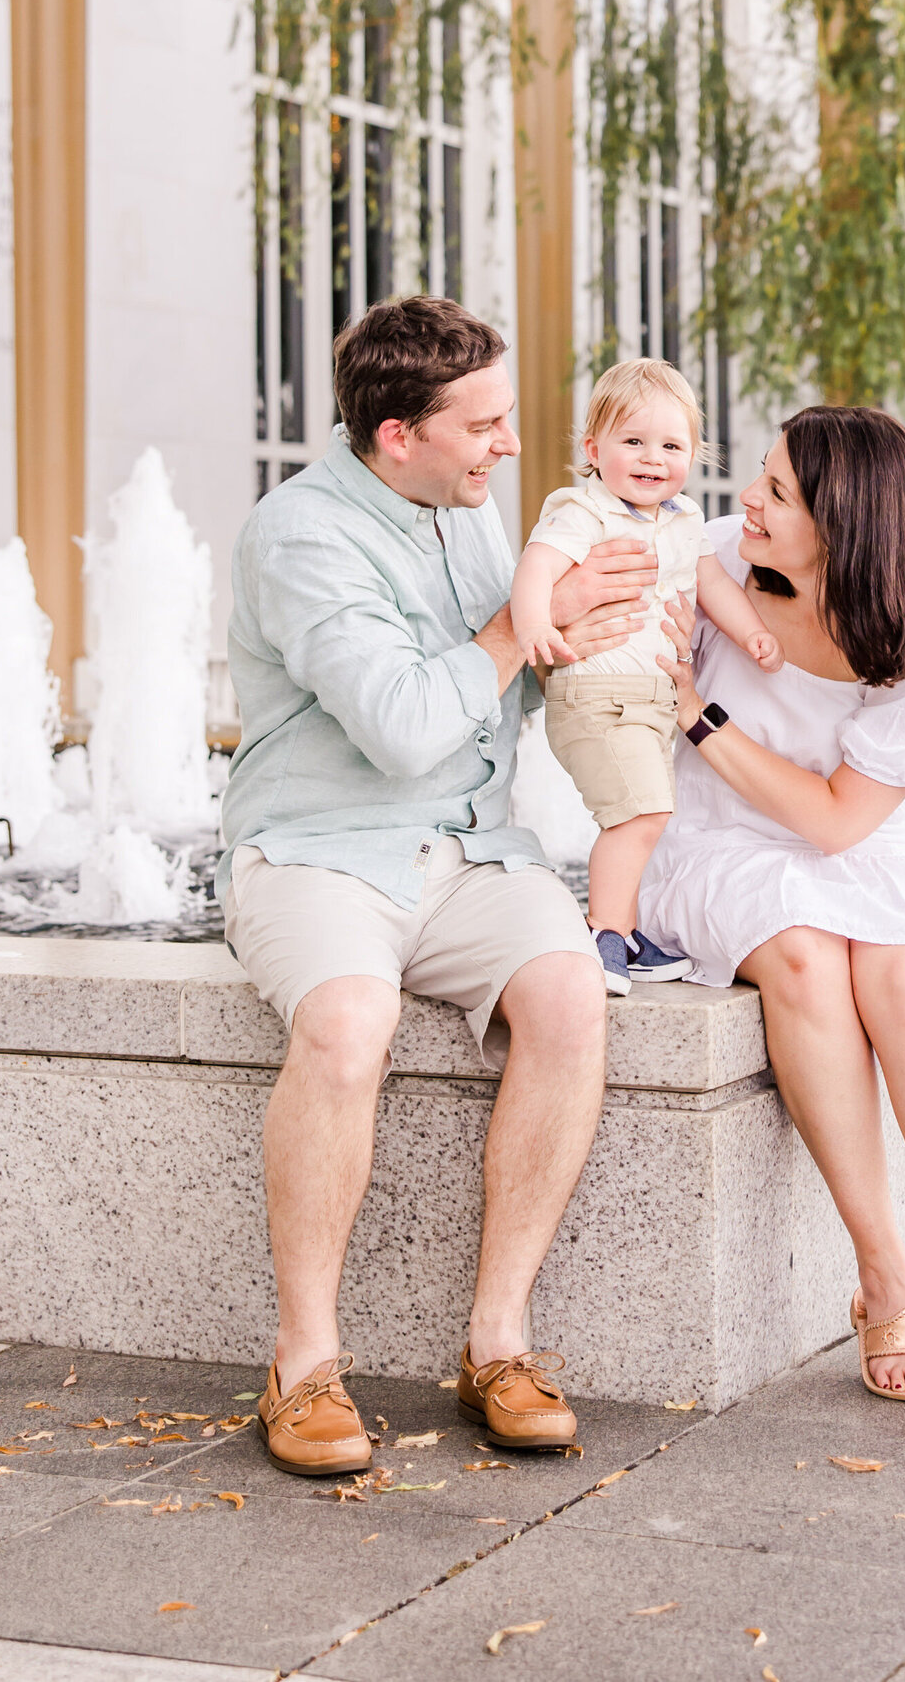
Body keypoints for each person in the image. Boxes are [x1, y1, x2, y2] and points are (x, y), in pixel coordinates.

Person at [219, 297, 654, 1475]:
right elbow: (410, 724)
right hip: (316, 847)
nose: (509, 444)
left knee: (570, 996)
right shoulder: (299, 534)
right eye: (487, 423)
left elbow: (501, 692)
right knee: (349, 1020)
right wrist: (531, 620)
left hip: (468, 848)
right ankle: (302, 1361)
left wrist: (622, 643)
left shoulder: (463, 506)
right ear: (397, 433)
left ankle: (497, 1343)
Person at [641, 404, 905, 1436]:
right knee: (803, 955)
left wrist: (702, 716)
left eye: (777, 491)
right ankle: (883, 1276)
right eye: (761, 478)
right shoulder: (702, 559)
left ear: (847, 523)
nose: (747, 498)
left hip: (859, 837)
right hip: (714, 838)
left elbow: (838, 822)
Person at [511, 357, 783, 996]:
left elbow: (712, 585)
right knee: (641, 814)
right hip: (595, 695)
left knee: (647, 812)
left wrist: (752, 634)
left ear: (694, 453)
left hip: (649, 701)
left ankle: (626, 931)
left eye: (671, 445)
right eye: (632, 441)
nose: (651, 458)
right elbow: (536, 567)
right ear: (593, 448)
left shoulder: (685, 520)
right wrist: (531, 626)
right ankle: (603, 931)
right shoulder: (584, 510)